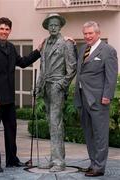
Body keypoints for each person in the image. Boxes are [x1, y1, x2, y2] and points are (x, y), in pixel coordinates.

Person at [0, 17, 42, 173]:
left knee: (11, 131)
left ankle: (12, 161)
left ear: (10, 31)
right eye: (1, 28)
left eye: (7, 29)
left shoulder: (11, 48)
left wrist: (38, 51)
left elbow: (22, 62)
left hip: (8, 99)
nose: (4, 32)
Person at [74, 21, 118, 177]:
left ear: (98, 33)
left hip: (99, 99)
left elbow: (111, 76)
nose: (87, 36)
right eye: (85, 34)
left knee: (100, 135)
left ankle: (99, 167)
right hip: (82, 98)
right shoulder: (82, 49)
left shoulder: (108, 50)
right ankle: (93, 164)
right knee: (89, 133)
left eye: (90, 33)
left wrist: (107, 95)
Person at [36, 13, 77, 172]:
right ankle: (54, 159)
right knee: (51, 122)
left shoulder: (66, 43)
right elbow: (43, 67)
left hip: (57, 87)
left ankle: (59, 162)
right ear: (47, 27)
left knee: (56, 123)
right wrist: (38, 85)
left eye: (56, 24)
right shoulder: (45, 43)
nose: (53, 27)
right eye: (50, 25)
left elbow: (71, 68)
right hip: (46, 86)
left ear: (60, 26)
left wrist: (62, 84)